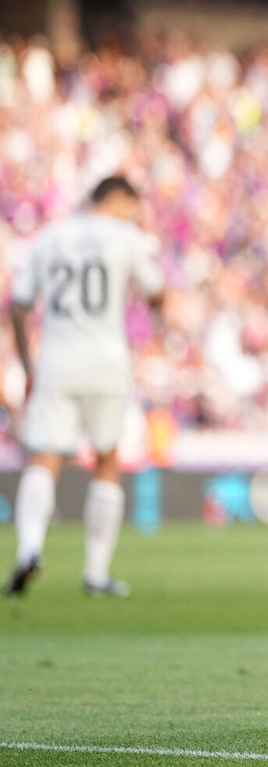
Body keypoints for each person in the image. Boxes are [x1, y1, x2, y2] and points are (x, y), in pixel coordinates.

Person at [6, 175, 166, 598]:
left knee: (44, 458)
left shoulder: (50, 237)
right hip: (107, 362)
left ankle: (29, 550)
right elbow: (157, 293)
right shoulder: (125, 236)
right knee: (107, 459)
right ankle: (95, 573)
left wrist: (27, 366)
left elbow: (19, 306)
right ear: (117, 200)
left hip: (57, 360)